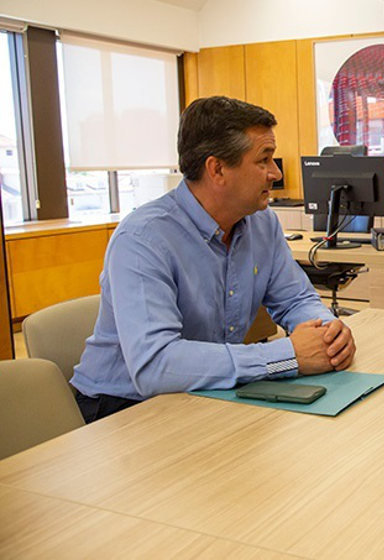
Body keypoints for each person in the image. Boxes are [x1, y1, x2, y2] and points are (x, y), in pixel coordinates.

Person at [71, 96, 355, 422]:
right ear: (217, 169)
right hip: (121, 409)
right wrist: (287, 356)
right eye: (264, 160)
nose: (275, 173)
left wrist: (328, 335)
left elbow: (295, 299)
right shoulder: (142, 240)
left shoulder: (262, 223)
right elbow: (155, 366)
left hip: (206, 392)